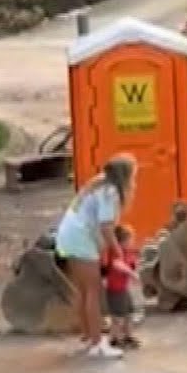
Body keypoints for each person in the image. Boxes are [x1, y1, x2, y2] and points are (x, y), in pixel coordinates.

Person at [54, 154, 136, 359]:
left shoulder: (99, 183)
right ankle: (97, 344)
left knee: (83, 290)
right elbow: (106, 226)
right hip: (81, 239)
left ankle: (88, 336)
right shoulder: (111, 193)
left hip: (69, 235)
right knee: (93, 290)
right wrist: (117, 250)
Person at [103, 224, 141, 350]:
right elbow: (117, 264)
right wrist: (131, 274)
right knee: (117, 317)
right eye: (130, 240)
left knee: (129, 313)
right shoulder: (116, 252)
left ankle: (128, 336)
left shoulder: (127, 252)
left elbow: (131, 263)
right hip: (115, 290)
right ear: (122, 241)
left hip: (123, 289)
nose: (132, 242)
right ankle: (114, 338)